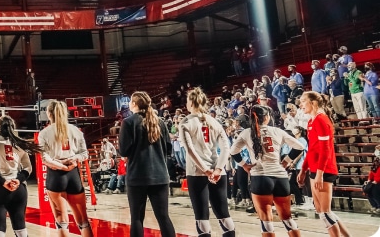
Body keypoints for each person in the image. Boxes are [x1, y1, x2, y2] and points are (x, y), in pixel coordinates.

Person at [230, 105, 305, 237]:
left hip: (260, 177)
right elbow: (299, 147)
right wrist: (286, 161)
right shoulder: (277, 131)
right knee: (287, 218)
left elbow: (233, 152)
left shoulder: (246, 132)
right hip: (280, 177)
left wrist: (244, 165)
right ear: (266, 117)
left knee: (266, 221)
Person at [178, 88, 235, 237]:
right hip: (218, 172)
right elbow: (226, 147)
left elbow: (190, 150)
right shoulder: (214, 121)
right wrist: (217, 169)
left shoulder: (185, 122)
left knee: (201, 215)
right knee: (223, 212)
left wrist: (205, 170)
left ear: (191, 102)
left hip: (197, 173)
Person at [119, 91, 176, 237]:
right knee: (164, 217)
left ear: (134, 104)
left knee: (137, 218)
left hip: (137, 176)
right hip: (160, 175)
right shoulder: (160, 122)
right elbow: (169, 149)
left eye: (131, 101)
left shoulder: (128, 122)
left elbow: (124, 151)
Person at [297, 91, 352, 237]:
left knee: (325, 213)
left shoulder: (322, 119)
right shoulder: (311, 121)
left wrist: (320, 173)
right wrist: (303, 170)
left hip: (325, 170)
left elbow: (326, 149)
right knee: (323, 212)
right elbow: (312, 149)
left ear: (313, 103)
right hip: (315, 170)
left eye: (303, 101)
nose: (300, 104)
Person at [37, 100, 93, 237]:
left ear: (49, 114)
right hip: (73, 174)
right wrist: (73, 160)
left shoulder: (44, 133)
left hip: (56, 175)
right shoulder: (75, 130)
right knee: (83, 220)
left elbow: (45, 159)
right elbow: (84, 153)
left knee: (61, 220)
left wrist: (61, 166)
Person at [0, 115, 42, 237]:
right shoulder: (20, 143)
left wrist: (3, 182)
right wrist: (18, 181)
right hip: (18, 189)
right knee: (21, 229)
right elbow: (28, 168)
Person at [365, 150, 380, 215]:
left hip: (378, 182)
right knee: (367, 188)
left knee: (374, 189)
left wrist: (375, 181)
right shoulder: (375, 165)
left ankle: (379, 206)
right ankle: (374, 206)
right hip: (375, 182)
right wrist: (368, 181)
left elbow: (378, 177)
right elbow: (371, 174)